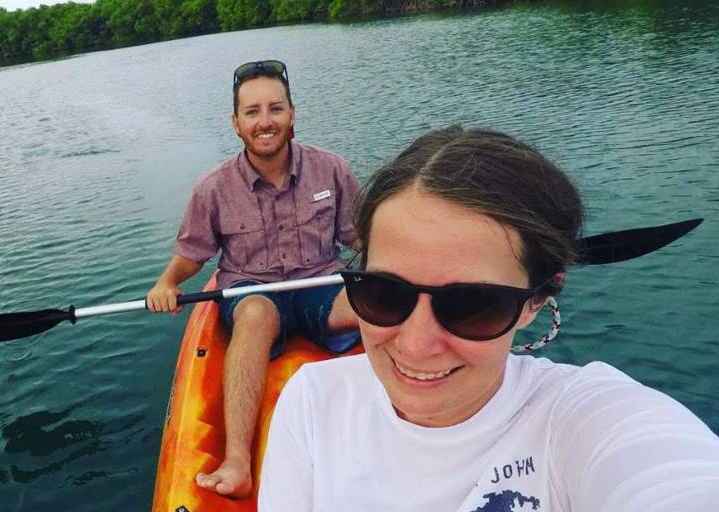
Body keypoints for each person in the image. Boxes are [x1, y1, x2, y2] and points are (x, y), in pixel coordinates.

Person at [258, 126, 719, 510]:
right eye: (383, 292)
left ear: (535, 301)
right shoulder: (314, 400)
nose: (417, 344)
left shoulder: (580, 419)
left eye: (472, 306)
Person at [147, 60, 362, 497]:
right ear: (236, 123)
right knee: (256, 316)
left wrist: (398, 273)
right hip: (253, 288)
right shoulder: (213, 188)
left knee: (374, 307)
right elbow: (192, 254)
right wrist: (167, 283)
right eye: (253, 112)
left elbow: (359, 238)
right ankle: (238, 461)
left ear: (292, 114)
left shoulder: (332, 169)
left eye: (275, 109)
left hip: (321, 282)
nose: (265, 122)